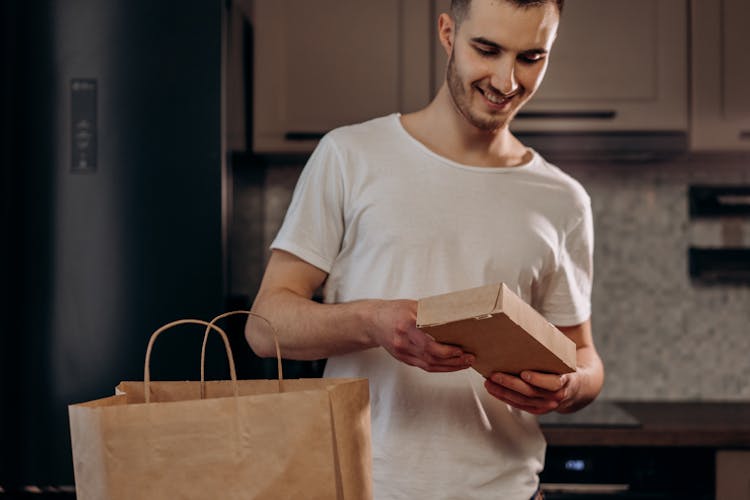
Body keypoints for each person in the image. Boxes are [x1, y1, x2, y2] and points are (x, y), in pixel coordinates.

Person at [246, 0, 604, 498]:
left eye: (531, 57)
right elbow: (265, 326)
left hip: (507, 491)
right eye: (487, 49)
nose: (506, 81)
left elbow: (582, 352)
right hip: (365, 488)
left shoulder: (564, 200)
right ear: (447, 32)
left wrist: (571, 387)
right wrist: (373, 322)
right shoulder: (350, 156)